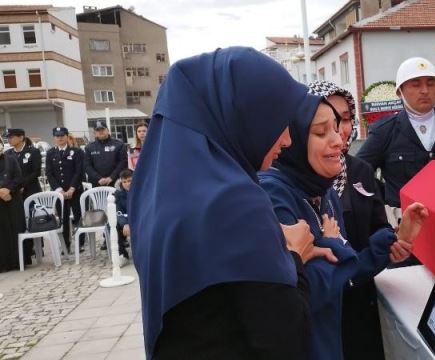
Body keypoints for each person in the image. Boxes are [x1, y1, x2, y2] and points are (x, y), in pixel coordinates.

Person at [130, 47, 336, 359]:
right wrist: (293, 257)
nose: (287, 139)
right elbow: (286, 339)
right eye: (277, 121)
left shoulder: (157, 191)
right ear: (246, 116)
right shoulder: (234, 200)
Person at [259, 91, 429, 360]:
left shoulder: (323, 191)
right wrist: (333, 244)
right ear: (294, 138)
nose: (339, 141)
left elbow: (346, 274)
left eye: (338, 129)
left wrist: (392, 242)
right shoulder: (272, 196)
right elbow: (300, 297)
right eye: (321, 132)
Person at [307, 80, 389, 359]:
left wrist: (393, 243)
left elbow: (380, 226)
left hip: (361, 304)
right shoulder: (297, 182)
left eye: (344, 119)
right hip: (322, 307)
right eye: (327, 122)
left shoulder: (361, 171)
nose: (339, 129)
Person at [357, 57, 435, 211]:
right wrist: (385, 200)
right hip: (404, 226)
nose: (425, 91)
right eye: (416, 84)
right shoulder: (385, 131)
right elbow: (357, 173)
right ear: (400, 92)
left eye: (430, 83)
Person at [45, 127, 84, 251]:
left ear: (67, 136)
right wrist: (58, 189)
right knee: (63, 218)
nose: (60, 138)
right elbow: (49, 173)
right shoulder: (50, 153)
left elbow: (79, 171)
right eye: (57, 136)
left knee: (78, 216)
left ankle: (80, 243)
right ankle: (65, 244)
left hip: (75, 190)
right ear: (54, 138)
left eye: (62, 135)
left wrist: (72, 188)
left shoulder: (76, 151)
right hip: (59, 192)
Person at [0, 137, 25, 272]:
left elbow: (18, 177)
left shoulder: (11, 159)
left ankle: (18, 261)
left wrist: (8, 189)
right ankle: (3, 264)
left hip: (12, 199)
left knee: (15, 227)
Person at [85, 120, 128, 188]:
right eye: (98, 130)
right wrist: (98, 178)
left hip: (115, 182)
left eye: (103, 129)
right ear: (95, 133)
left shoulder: (119, 144)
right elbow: (87, 166)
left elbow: (123, 162)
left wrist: (111, 177)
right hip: (97, 183)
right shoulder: (89, 147)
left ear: (108, 130)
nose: (101, 131)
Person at [3, 128, 43, 199]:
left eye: (11, 137)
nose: (9, 140)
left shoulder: (33, 151)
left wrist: (21, 185)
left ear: (21, 138)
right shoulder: (7, 153)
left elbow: (36, 172)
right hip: (14, 191)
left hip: (31, 190)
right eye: (8, 138)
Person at [113, 169, 133, 265]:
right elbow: (118, 211)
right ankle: (122, 254)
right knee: (113, 225)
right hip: (126, 220)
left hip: (139, 220)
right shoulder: (118, 194)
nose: (127, 184)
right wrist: (125, 223)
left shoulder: (142, 191)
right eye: (124, 182)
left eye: (129, 181)